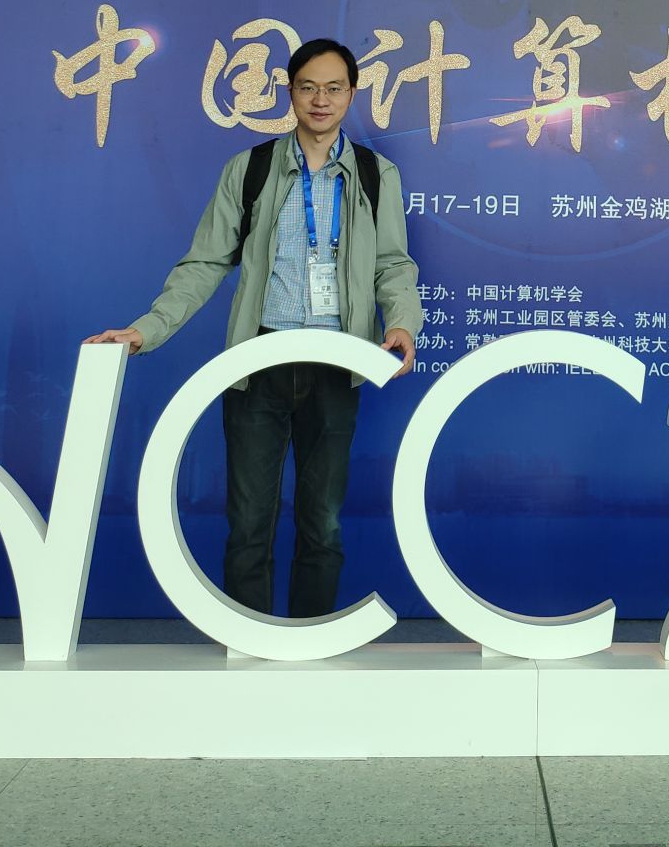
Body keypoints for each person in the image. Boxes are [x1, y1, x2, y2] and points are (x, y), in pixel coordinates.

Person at [84, 37, 419, 618]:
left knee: (324, 523)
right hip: (257, 363)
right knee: (248, 523)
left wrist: (403, 324)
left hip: (337, 364)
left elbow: (392, 264)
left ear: (351, 94)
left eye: (334, 88)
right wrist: (146, 330)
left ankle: (310, 644)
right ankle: (247, 648)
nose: (320, 100)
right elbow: (205, 263)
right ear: (290, 92)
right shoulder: (251, 169)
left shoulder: (374, 173)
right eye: (308, 87)